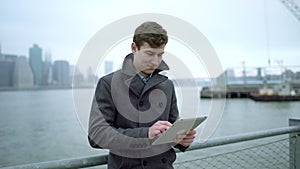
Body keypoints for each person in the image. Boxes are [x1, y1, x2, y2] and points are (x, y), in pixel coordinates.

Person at [88, 21, 196, 169]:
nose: (155, 61)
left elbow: (170, 128)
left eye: (160, 55)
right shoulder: (108, 84)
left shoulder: (167, 85)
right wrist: (146, 134)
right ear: (134, 48)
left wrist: (181, 140)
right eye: (150, 54)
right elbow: (97, 135)